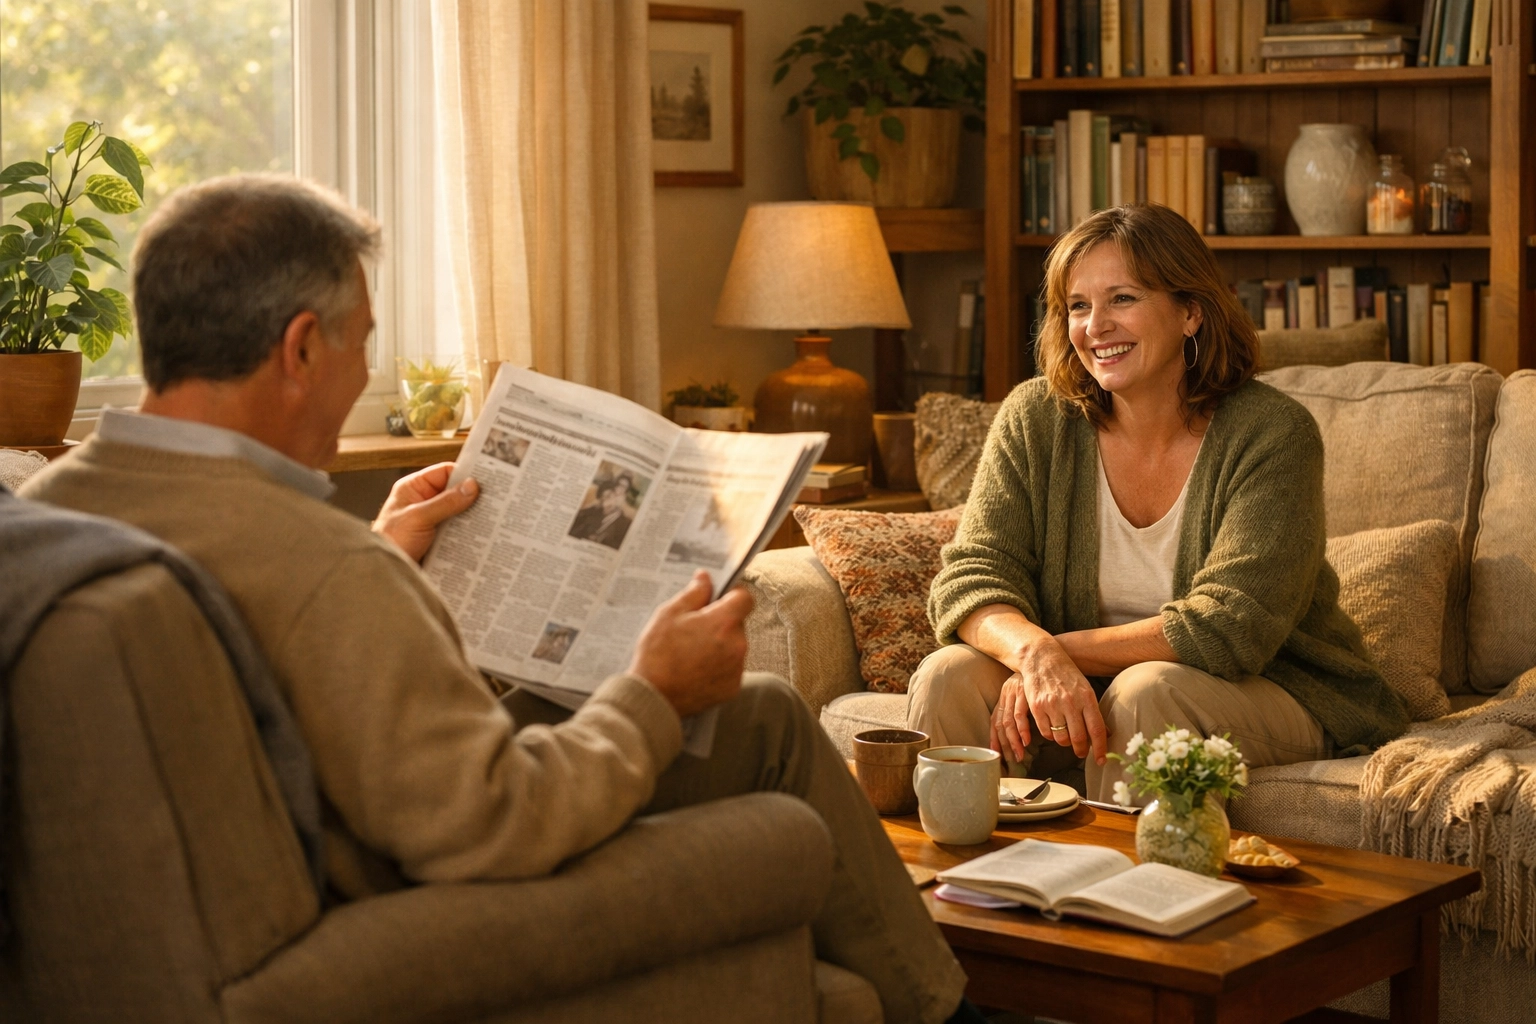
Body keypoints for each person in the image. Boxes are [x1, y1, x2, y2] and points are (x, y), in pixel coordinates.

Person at [21, 174, 982, 1024]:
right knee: (748, 759)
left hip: (320, 834)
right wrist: (652, 690)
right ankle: (943, 1015)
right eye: (360, 343)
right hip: (414, 888)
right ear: (301, 348)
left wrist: (382, 551)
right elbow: (496, 821)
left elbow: (261, 626)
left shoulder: (49, 513)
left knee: (762, 711)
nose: (364, 370)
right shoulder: (318, 567)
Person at [906, 203, 1409, 804]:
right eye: (1078, 306)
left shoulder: (1274, 433)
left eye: (1123, 298)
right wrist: (1031, 652)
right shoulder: (1034, 418)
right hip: (1084, 684)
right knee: (948, 676)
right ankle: (963, 888)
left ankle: (1129, 892)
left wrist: (1051, 655)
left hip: (1263, 686)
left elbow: (1230, 626)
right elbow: (974, 574)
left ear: (1191, 311)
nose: (1096, 327)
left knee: (1146, 692)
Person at [568, 474, 633, 549]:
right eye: (617, 485)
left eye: (623, 487)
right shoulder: (593, 512)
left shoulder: (625, 524)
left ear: (624, 496)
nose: (618, 490)